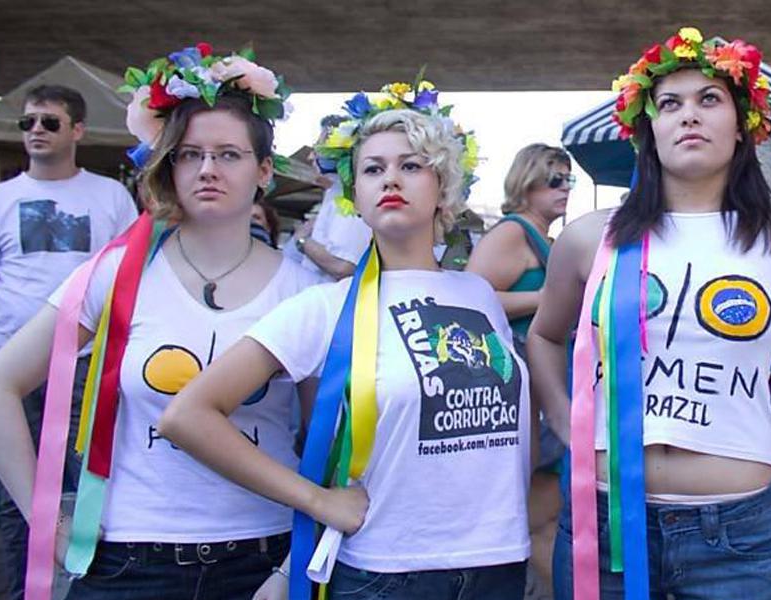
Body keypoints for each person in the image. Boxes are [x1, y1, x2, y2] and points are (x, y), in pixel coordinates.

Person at [529, 27, 771, 600]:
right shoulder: (589, 239)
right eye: (670, 104)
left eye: (710, 100)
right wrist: (562, 416)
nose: (689, 116)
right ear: (647, 130)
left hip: (736, 535)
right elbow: (545, 336)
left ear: (743, 124)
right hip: (604, 526)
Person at [160, 82, 531, 600]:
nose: (391, 180)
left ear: (443, 184)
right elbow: (187, 415)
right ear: (354, 195)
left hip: (499, 564)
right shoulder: (323, 306)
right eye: (373, 169)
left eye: (412, 165)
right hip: (388, 571)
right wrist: (316, 500)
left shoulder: (478, 296)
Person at [0, 44, 323, 599]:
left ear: (264, 171)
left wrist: (290, 571)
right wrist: (41, 514)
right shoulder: (118, 272)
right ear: (169, 163)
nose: (208, 169)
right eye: (190, 154)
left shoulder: (306, 291)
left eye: (229, 155)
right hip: (128, 560)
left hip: (263, 559)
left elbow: (326, 439)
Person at [0, 83, 138, 600]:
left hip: (88, 364)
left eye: (49, 122)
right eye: (27, 122)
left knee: (95, 484)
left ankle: (95, 589)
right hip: (11, 366)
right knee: (18, 494)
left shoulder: (111, 196)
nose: (35, 131)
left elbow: (129, 281)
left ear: (77, 130)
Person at [466, 142, 573, 595]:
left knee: (545, 517)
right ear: (526, 182)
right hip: (522, 386)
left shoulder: (545, 239)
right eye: (554, 179)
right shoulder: (513, 233)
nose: (565, 188)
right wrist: (550, 300)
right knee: (534, 517)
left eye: (568, 179)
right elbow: (471, 299)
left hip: (548, 384)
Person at [290, 114, 373, 280]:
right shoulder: (336, 192)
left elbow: (343, 266)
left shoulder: (350, 196)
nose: (310, 157)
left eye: (319, 148)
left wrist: (302, 240)